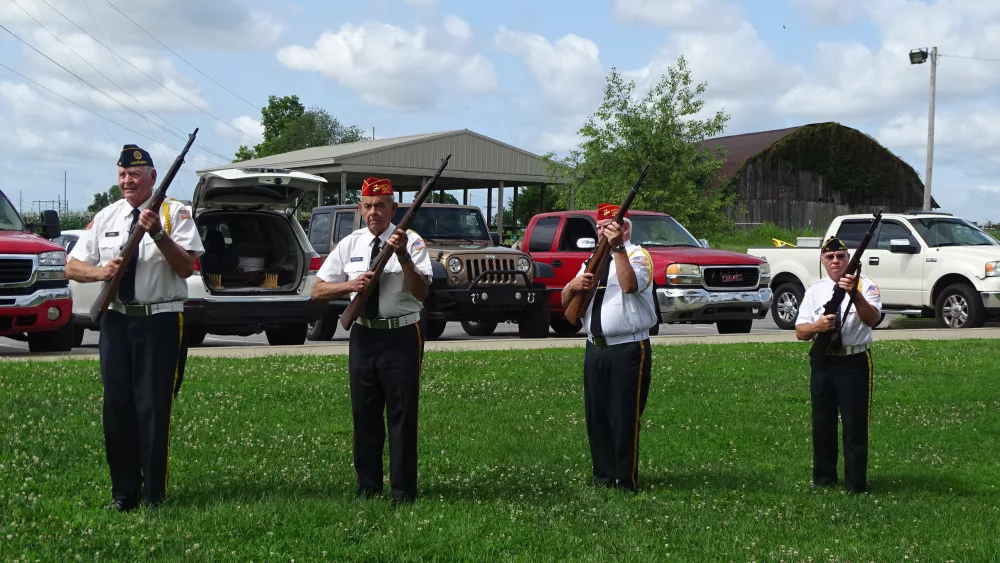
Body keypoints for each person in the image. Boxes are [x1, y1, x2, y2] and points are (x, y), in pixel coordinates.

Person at [66, 144, 205, 511]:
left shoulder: (175, 214)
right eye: (123, 175)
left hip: (158, 320)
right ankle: (123, 494)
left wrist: (159, 233)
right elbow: (72, 265)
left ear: (153, 178)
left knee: (153, 407)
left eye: (136, 176)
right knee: (117, 406)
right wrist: (102, 272)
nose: (128, 181)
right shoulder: (107, 216)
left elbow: (187, 267)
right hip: (115, 320)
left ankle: (153, 495)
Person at [310, 177, 433, 505]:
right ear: (359, 209)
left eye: (381, 206)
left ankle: (403, 492)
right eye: (368, 206)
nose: (374, 212)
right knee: (363, 413)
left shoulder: (413, 242)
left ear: (393, 207)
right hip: (363, 334)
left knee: (402, 414)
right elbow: (317, 290)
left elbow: (422, 292)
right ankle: (367, 487)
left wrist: (403, 255)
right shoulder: (350, 244)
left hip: (402, 334)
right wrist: (349, 287)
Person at [560, 203, 657, 492]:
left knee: (625, 417)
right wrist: (574, 286)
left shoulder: (638, 256)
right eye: (600, 227)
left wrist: (617, 250)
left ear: (625, 228)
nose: (603, 231)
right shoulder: (591, 259)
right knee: (597, 417)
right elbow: (566, 302)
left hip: (627, 348)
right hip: (595, 348)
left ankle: (626, 481)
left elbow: (629, 285)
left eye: (610, 226)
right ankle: (603, 478)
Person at [795, 236, 882, 493]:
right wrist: (817, 326)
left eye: (841, 257)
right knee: (822, 422)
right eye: (830, 257)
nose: (835, 261)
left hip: (854, 361)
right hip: (823, 362)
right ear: (823, 261)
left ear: (849, 260)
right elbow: (800, 332)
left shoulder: (866, 287)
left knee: (855, 425)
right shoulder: (814, 291)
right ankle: (823, 479)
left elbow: (872, 319)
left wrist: (854, 294)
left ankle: (855, 484)